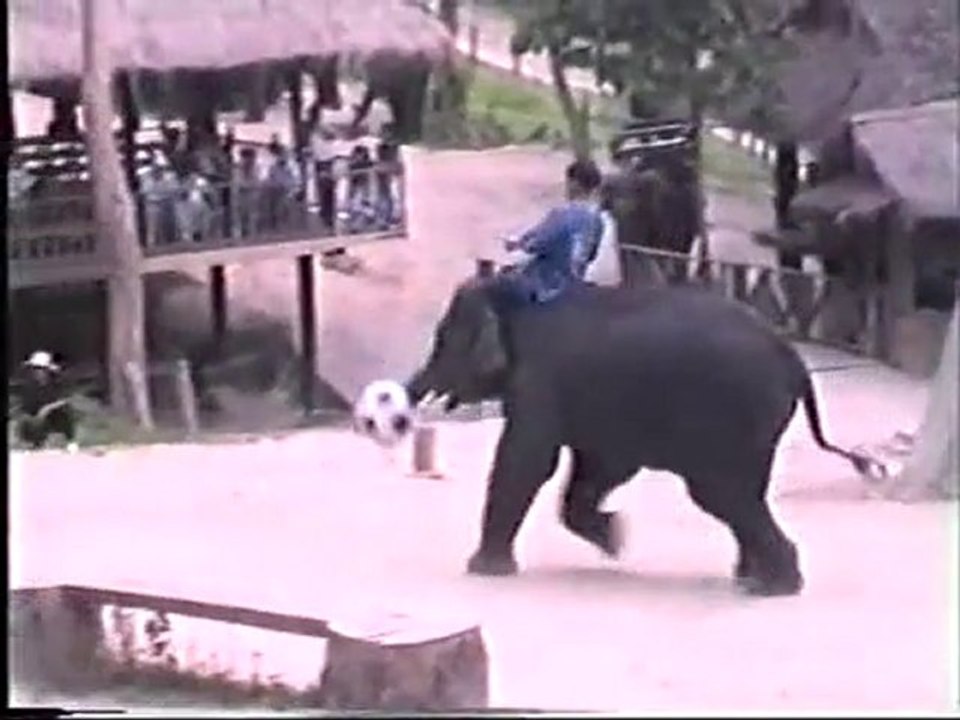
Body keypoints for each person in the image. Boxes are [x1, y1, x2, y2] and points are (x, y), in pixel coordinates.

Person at [495, 158, 606, 308]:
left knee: (494, 287)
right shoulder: (597, 220)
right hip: (575, 283)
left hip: (546, 286)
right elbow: (591, 255)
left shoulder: (562, 214)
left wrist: (517, 244)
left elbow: (536, 244)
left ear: (574, 183)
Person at [13, 351, 79, 452]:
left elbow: (65, 399)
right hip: (37, 419)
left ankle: (70, 441)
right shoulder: (29, 387)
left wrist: (47, 409)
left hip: (53, 415)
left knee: (66, 411)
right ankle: (35, 443)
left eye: (40, 369)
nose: (37, 372)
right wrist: (34, 417)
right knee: (26, 421)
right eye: (35, 369)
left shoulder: (57, 382)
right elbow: (25, 408)